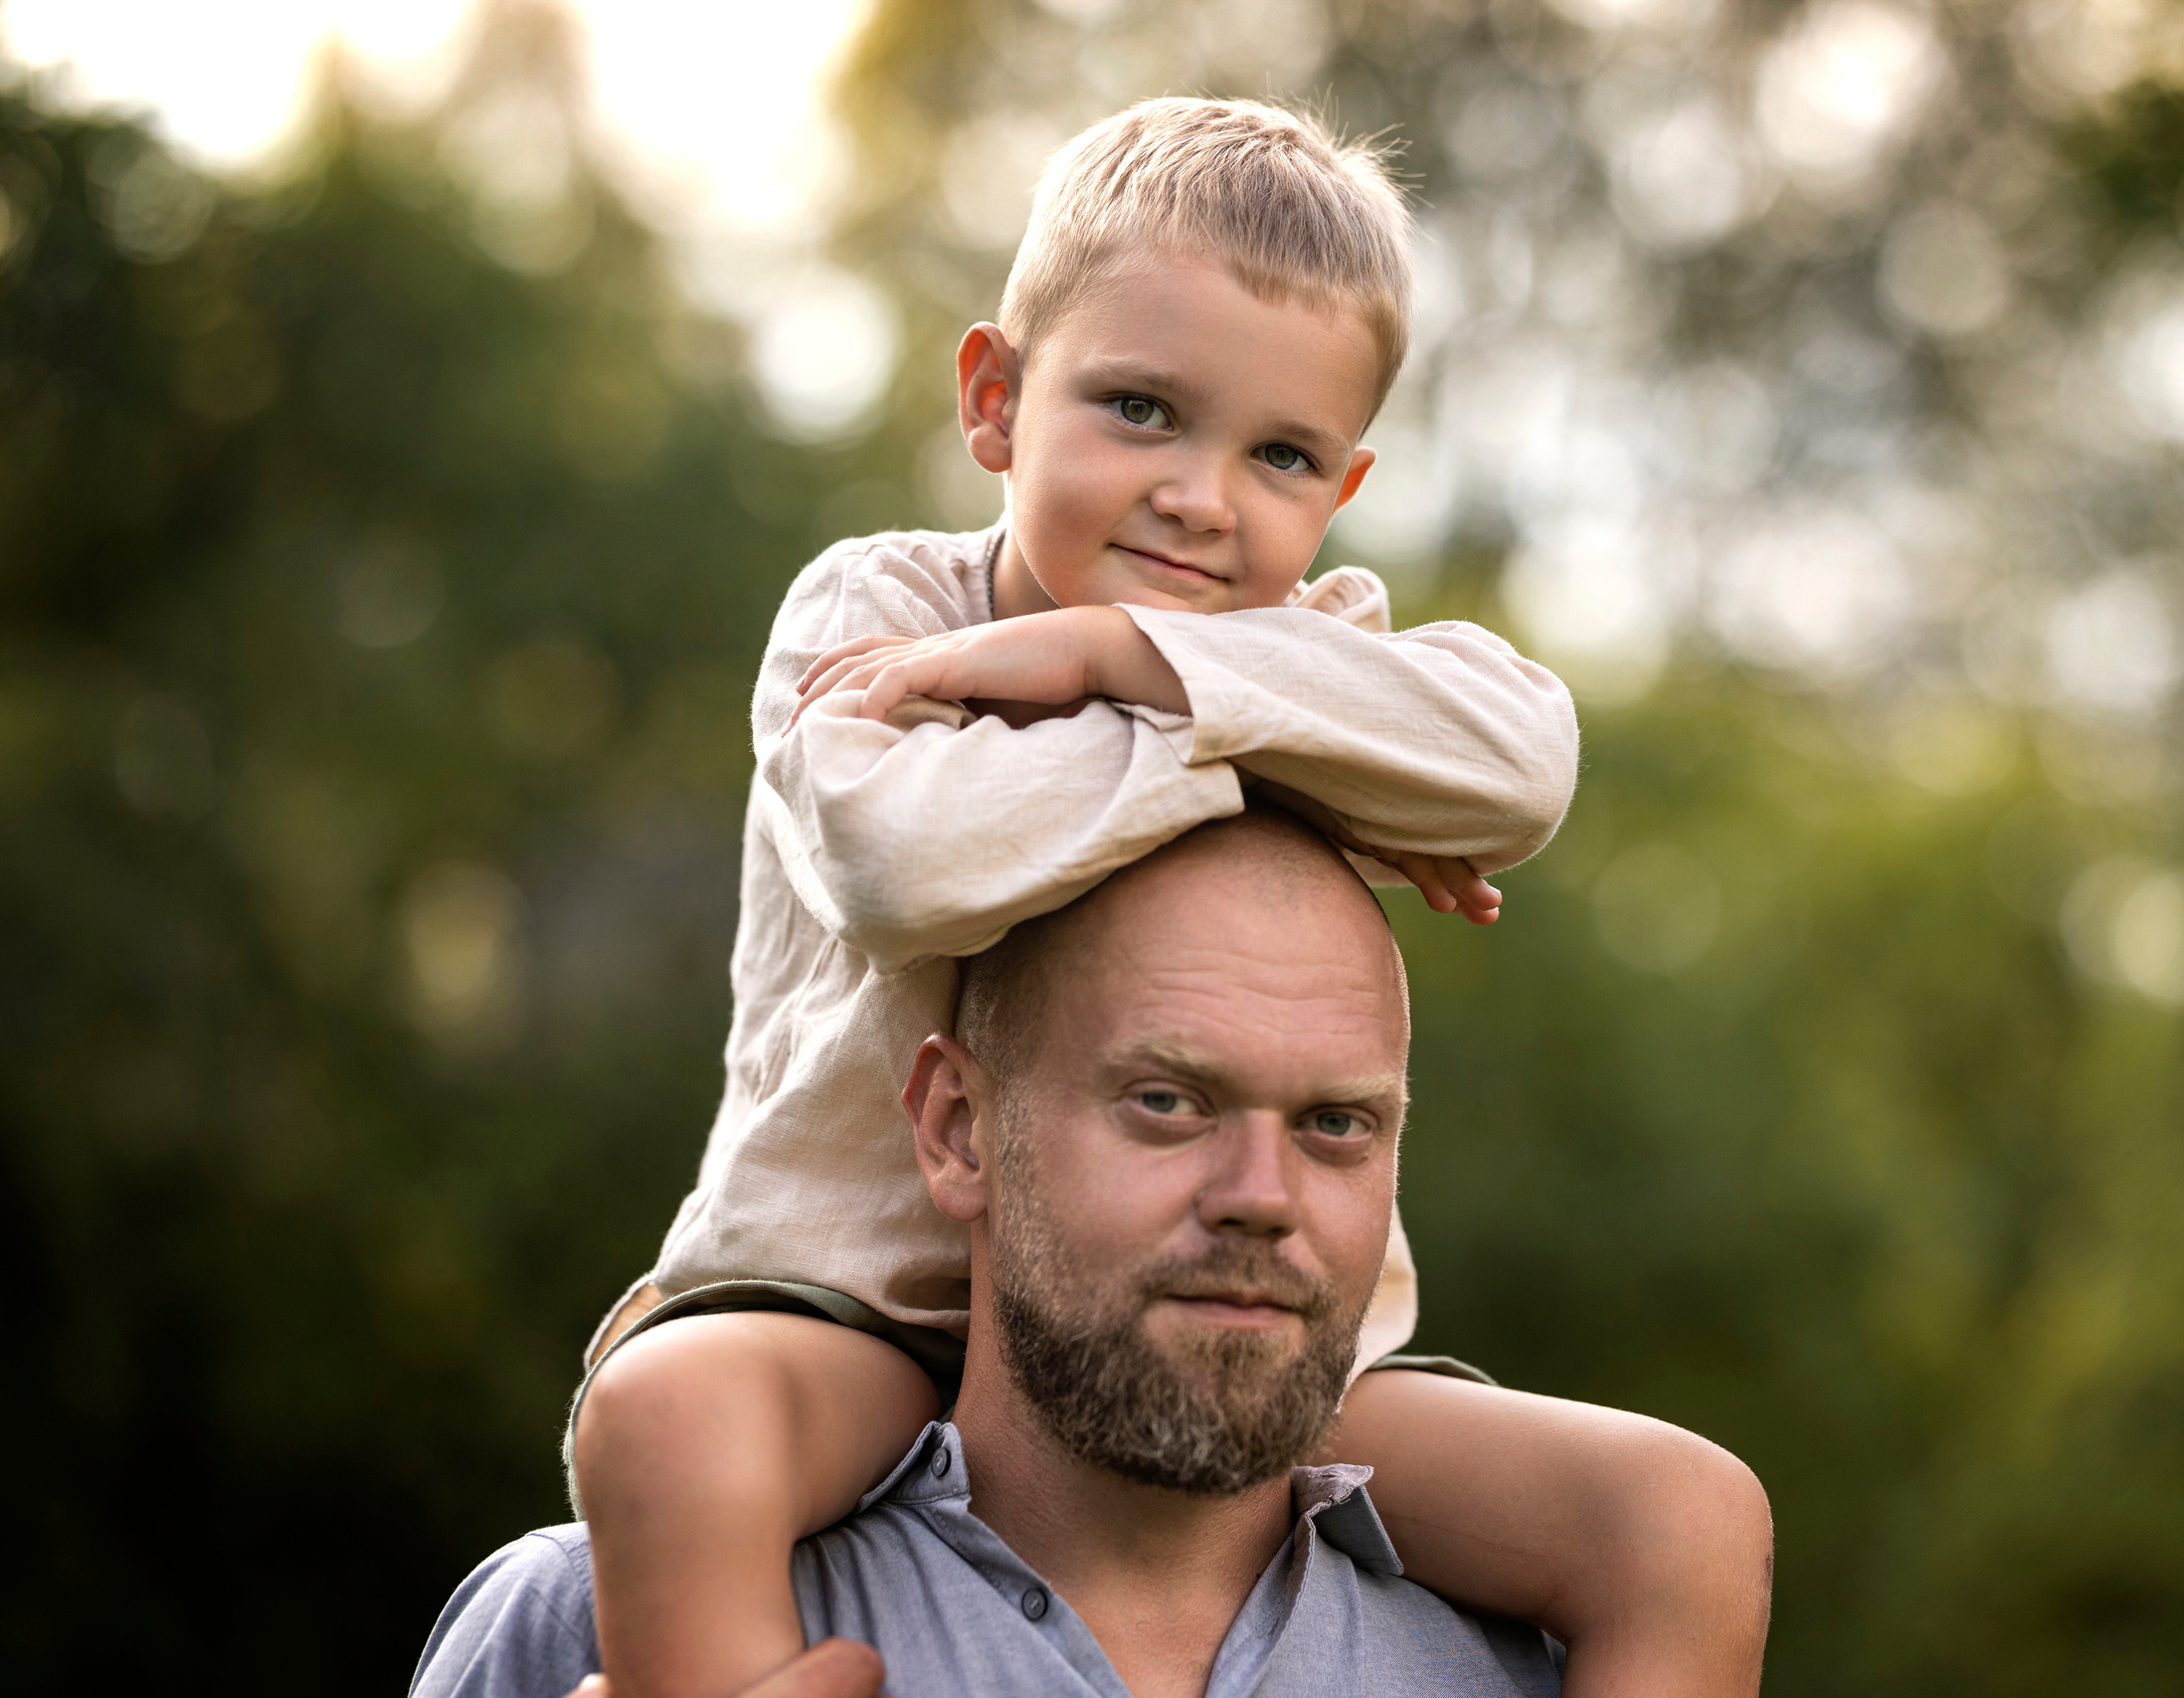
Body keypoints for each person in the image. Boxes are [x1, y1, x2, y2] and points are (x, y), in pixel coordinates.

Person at [566, 97, 1757, 1698]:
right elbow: (905, 857)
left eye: (1279, 454)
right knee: (662, 1418)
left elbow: (1527, 770)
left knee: (1685, 1514)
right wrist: (1268, 754)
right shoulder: (882, 609)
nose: (1203, 498)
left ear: (1343, 484)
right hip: (838, 1307)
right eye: (1140, 410)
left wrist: (1114, 661)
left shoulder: (1304, 637)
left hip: (1217, 1345)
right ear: (995, 399)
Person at [415, 811, 1771, 1698]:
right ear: (958, 1128)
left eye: (1336, 1125)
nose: (1261, 1197)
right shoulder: (599, 1631)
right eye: (1167, 1103)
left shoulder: (1541, 1672)